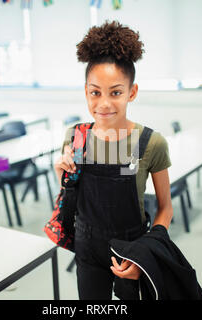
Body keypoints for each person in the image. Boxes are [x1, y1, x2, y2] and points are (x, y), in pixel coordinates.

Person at [54, 21, 174, 300]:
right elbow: (68, 191)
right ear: (86, 91)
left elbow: (165, 208)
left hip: (131, 250)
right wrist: (59, 171)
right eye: (95, 92)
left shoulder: (151, 143)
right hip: (86, 248)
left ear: (132, 92)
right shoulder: (75, 136)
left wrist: (145, 254)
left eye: (116, 92)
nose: (104, 103)